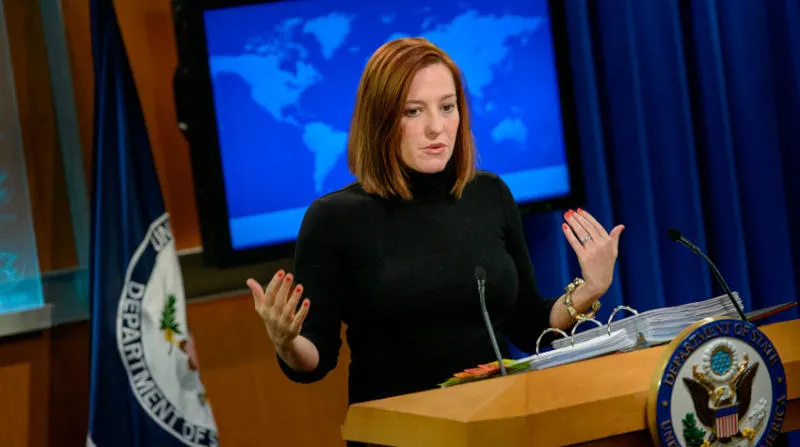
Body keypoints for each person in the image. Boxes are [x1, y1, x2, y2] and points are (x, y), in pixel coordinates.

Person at [246, 37, 624, 445]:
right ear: (381, 119)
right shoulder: (334, 218)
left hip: (496, 427)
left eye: (447, 107)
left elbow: (529, 325)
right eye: (413, 111)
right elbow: (315, 360)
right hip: (399, 435)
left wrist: (590, 289)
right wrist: (287, 343)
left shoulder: (489, 195)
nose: (436, 127)